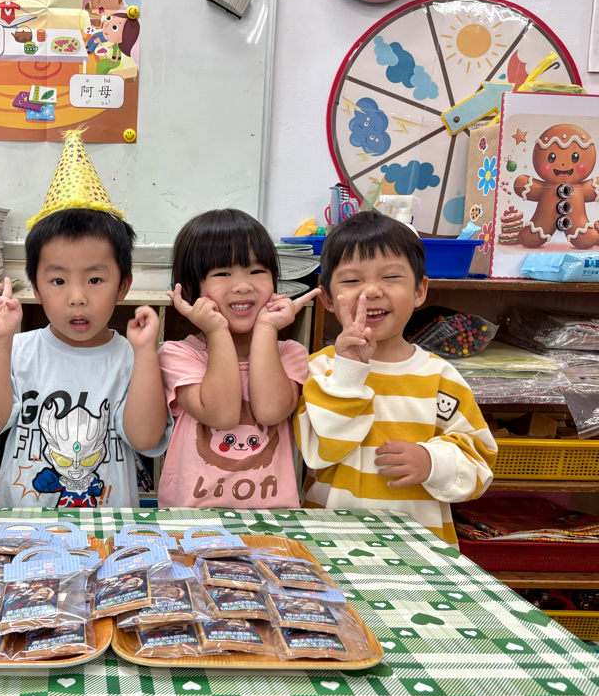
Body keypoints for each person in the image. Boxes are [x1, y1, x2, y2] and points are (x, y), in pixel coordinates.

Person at [0, 130, 171, 509]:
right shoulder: (19, 350)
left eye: (95, 279)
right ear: (36, 289)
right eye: (58, 281)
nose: (77, 297)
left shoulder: (130, 357)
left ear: (123, 285)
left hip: (108, 528)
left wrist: (145, 354)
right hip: (23, 526)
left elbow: (145, 439)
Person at [295, 211, 497, 546]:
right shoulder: (319, 369)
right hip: (331, 540)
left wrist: (433, 462)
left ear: (420, 290)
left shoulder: (440, 377)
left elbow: (479, 461)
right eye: (352, 280)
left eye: (390, 277)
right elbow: (321, 451)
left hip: (421, 549)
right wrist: (348, 371)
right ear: (327, 298)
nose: (372, 291)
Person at [158, 209, 319, 510]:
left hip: (273, 520)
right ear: (191, 289)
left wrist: (267, 328)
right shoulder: (178, 354)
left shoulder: (290, 353)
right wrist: (216, 330)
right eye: (223, 274)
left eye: (257, 271)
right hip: (193, 520)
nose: (243, 286)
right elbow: (221, 415)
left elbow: (270, 411)